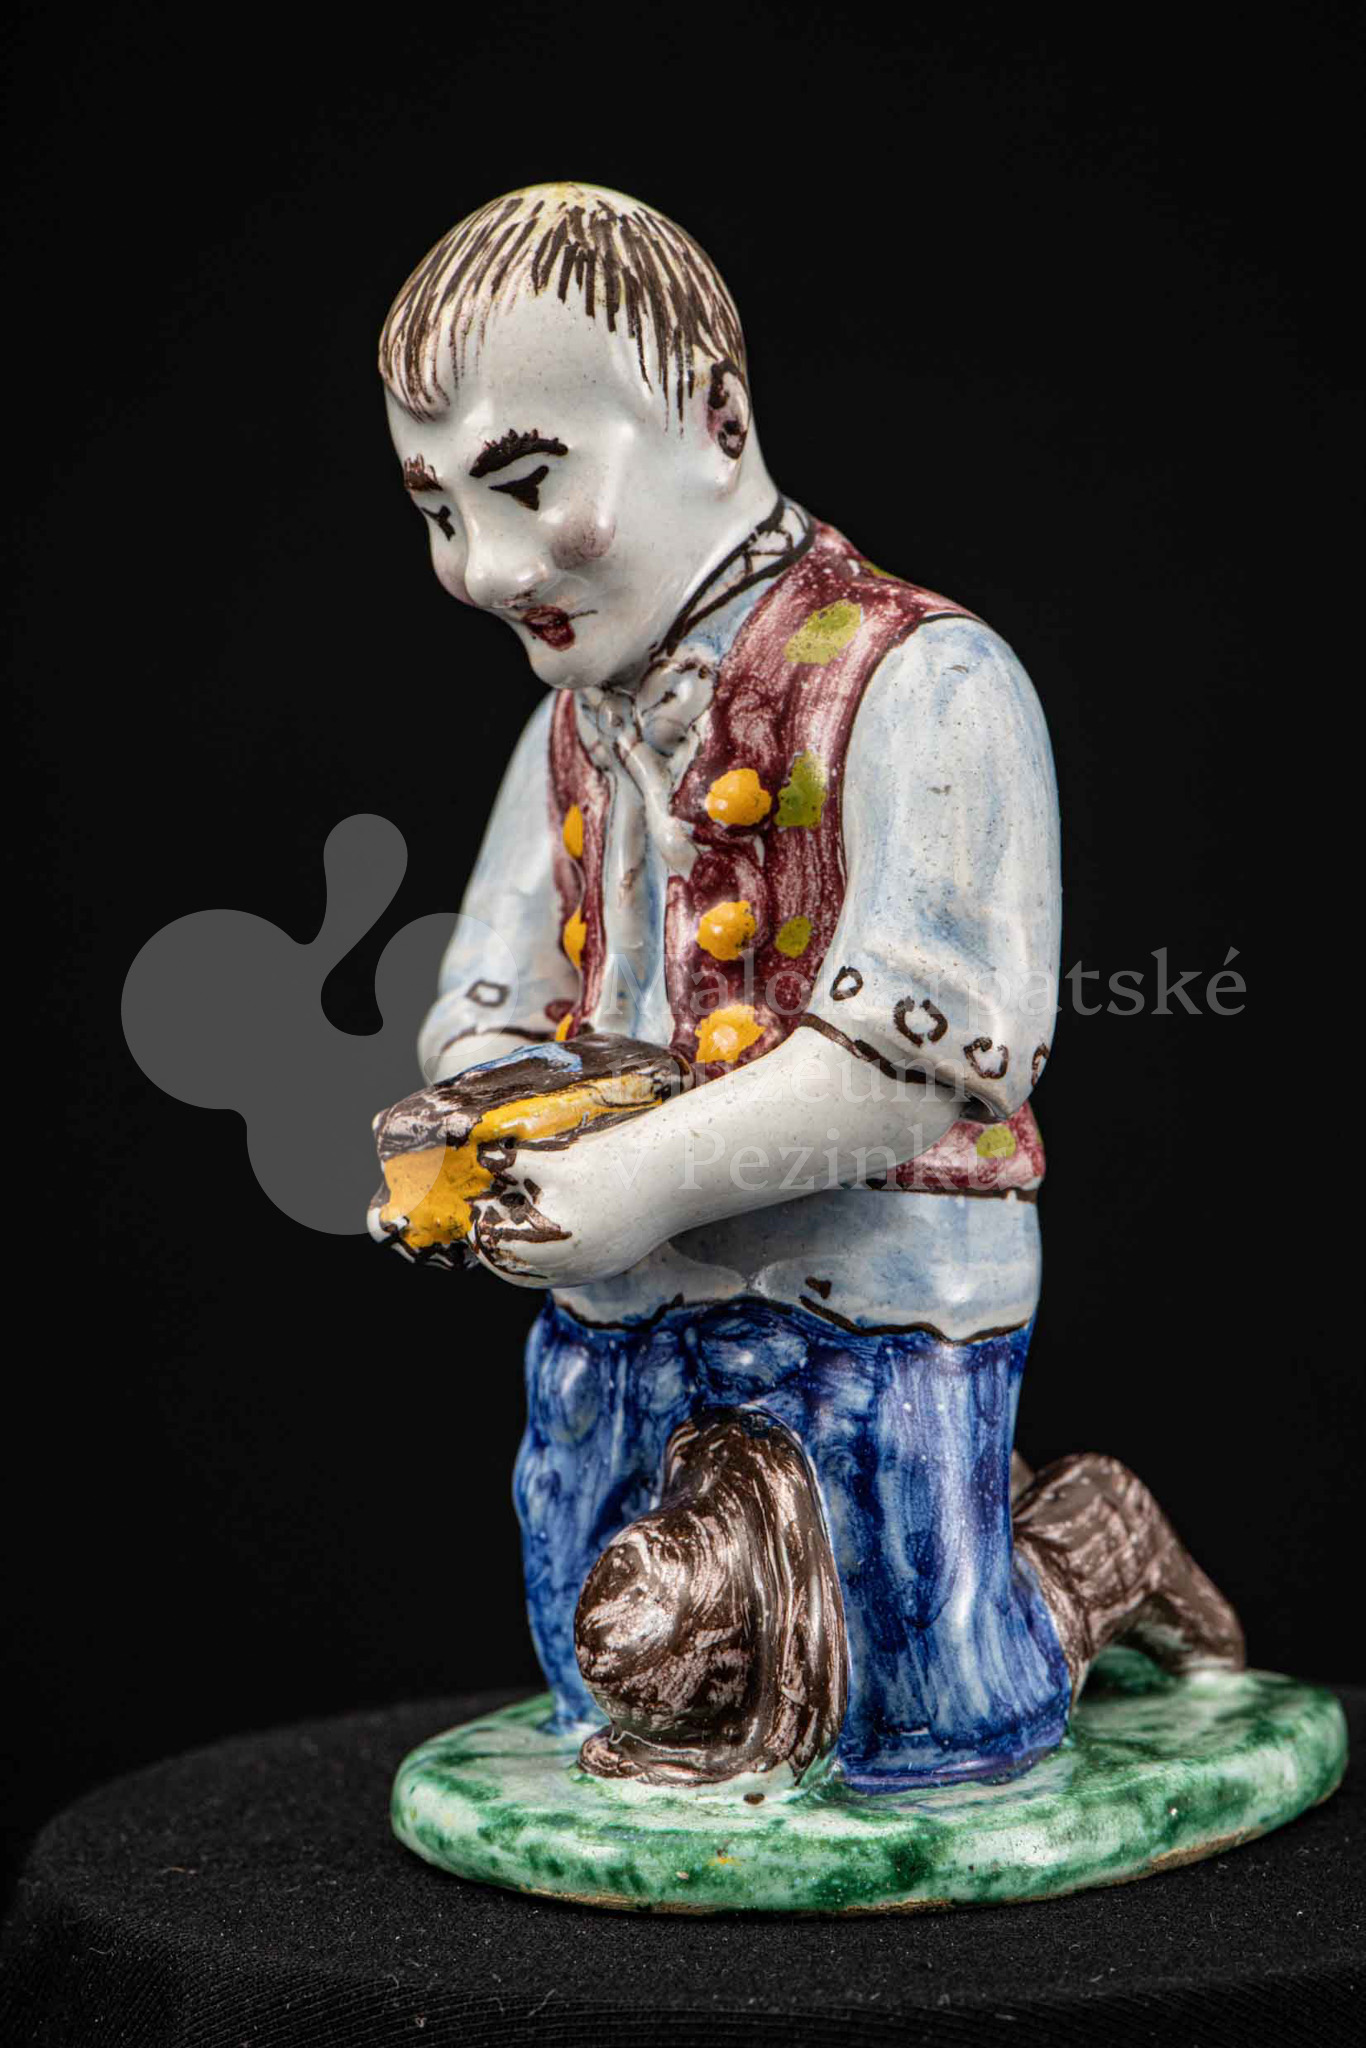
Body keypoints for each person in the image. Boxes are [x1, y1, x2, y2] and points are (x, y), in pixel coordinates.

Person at [375, 182, 1241, 1790]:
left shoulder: (924, 681)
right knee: (592, 1675)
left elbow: (922, 1056)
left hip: (874, 1283)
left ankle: (1089, 1538)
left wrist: (636, 1175)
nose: (484, 569)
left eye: (525, 488)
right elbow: (487, 991)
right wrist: (484, 1132)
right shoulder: (566, 725)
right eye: (436, 512)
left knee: (942, 1717)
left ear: (715, 422)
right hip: (618, 1293)